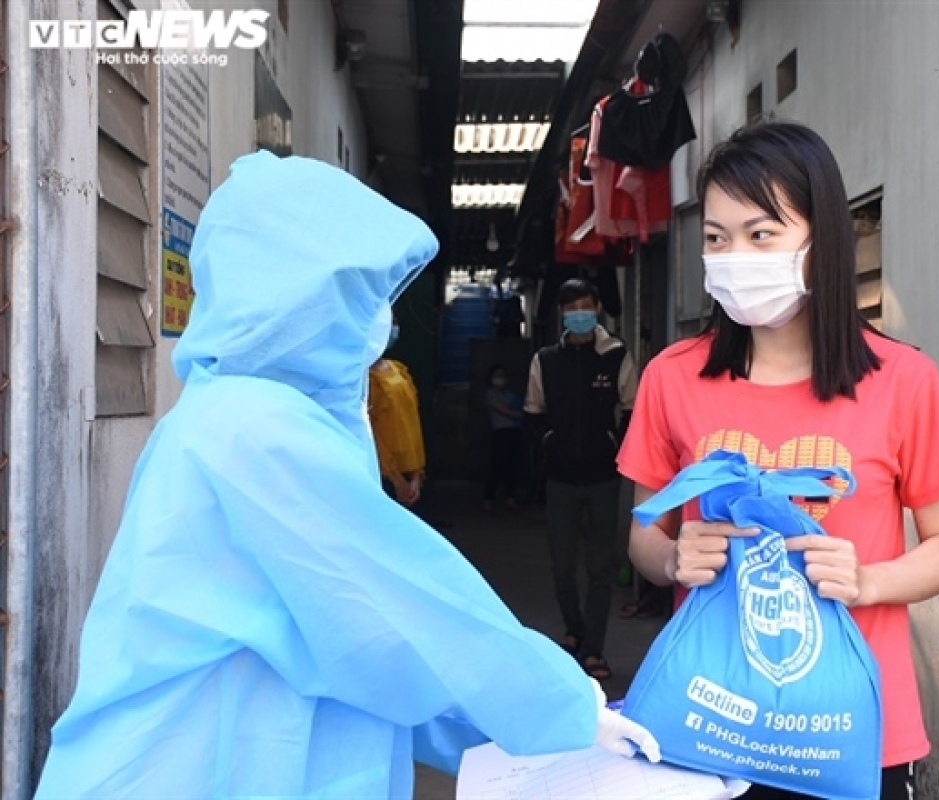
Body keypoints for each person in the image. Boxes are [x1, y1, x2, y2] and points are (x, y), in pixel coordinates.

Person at [34, 152, 657, 800]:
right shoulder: (253, 431)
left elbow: (374, 656)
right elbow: (405, 610)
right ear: (293, 296)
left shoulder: (242, 420)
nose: (378, 322)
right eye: (354, 292)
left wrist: (532, 729)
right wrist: (565, 707)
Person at [617, 123, 939, 800]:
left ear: (823, 243)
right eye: (717, 239)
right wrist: (670, 559)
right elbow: (645, 534)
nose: (733, 256)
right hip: (709, 723)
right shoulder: (672, 378)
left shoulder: (904, 380)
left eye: (761, 235)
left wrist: (866, 580)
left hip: (853, 731)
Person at [525, 278, 638, 682]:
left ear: (597, 310)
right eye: (572, 307)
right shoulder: (545, 360)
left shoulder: (616, 356)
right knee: (561, 565)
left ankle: (593, 649)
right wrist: (548, 443)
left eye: (586, 306)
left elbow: (631, 411)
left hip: (604, 479)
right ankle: (575, 629)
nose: (579, 314)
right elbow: (533, 413)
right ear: (561, 313)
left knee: (600, 568)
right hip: (560, 480)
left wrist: (615, 450)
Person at [368, 344, 425, 506]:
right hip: (382, 471)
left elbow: (412, 422)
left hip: (408, 467)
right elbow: (370, 430)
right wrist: (395, 479)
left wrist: (416, 474)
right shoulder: (362, 379)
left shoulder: (398, 369)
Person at [483, 364, 524, 510]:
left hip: (514, 432)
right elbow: (504, 411)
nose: (500, 379)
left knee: (512, 466)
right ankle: (488, 498)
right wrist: (523, 415)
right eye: (497, 375)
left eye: (502, 375)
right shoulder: (490, 394)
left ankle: (510, 497)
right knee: (497, 466)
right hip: (500, 433)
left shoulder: (511, 395)